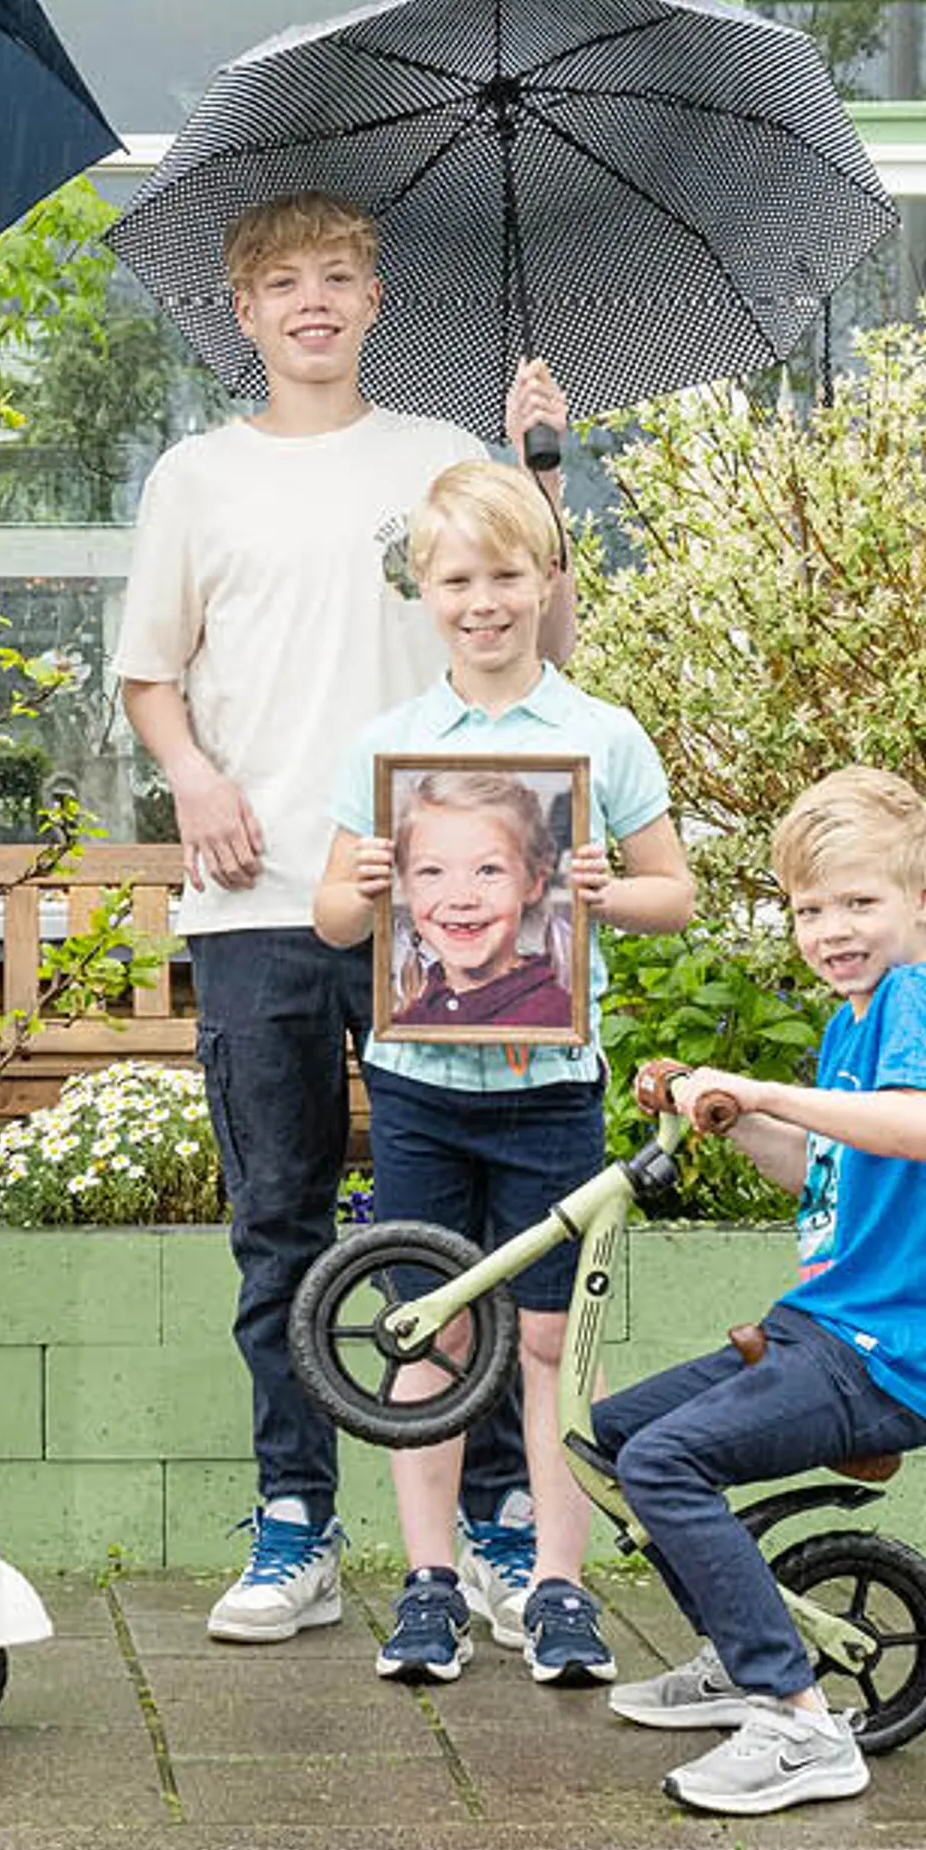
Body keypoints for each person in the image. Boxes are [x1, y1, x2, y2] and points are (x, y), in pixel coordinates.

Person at [108, 192, 571, 1648]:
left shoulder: (441, 455)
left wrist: (539, 473)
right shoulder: (196, 474)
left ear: (377, 297)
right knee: (279, 1220)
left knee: (471, 1229)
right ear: (241, 313)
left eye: (340, 277)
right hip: (257, 894)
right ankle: (296, 1517)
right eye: (282, 282)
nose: (313, 301)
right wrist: (190, 779)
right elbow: (149, 672)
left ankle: (494, 1522)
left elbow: (543, 634)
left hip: (443, 909)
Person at [316, 460, 696, 1689]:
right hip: (421, 1084)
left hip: (550, 1090)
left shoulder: (600, 735)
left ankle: (558, 1586)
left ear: (548, 581)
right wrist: (363, 888)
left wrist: (607, 894)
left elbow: (674, 894)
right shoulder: (387, 743)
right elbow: (329, 919)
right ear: (423, 591)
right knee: (427, 1332)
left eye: (507, 575)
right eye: (458, 579)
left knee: (548, 1343)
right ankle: (429, 1583)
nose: (484, 601)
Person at [601, 767, 926, 1816]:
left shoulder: (916, 998)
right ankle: (743, 1655)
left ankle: (798, 1721)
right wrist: (741, 1117)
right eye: (810, 908)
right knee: (613, 1436)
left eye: (860, 901)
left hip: (880, 1350)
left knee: (666, 1458)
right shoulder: (852, 1021)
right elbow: (825, 1167)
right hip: (818, 1325)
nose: (832, 928)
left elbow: (925, 1126)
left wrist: (764, 1085)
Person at [385, 771, 581, 1035]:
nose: (461, 899)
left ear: (534, 883)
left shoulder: (555, 1017)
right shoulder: (409, 1017)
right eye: (432, 871)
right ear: (405, 884)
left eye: (488, 870)